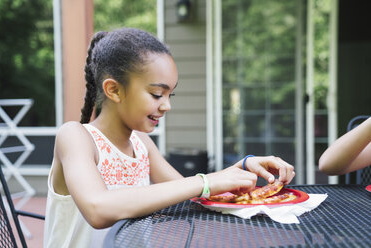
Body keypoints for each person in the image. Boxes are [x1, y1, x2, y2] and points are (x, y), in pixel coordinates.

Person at [43, 27, 295, 248]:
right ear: (114, 90)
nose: (166, 106)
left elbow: (192, 192)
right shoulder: (75, 137)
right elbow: (98, 209)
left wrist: (241, 166)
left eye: (169, 95)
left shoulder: (142, 144)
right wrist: (206, 181)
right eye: (156, 94)